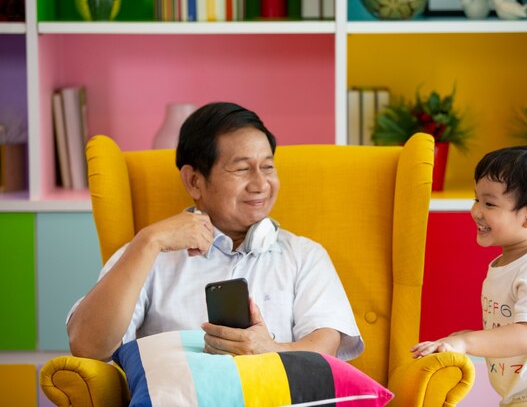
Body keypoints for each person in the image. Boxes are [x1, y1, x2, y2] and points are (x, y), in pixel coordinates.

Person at [67, 101, 363, 363]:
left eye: (268, 167)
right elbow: (88, 347)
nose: (260, 184)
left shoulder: (303, 255)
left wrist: (270, 349)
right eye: (242, 169)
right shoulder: (148, 253)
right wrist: (149, 241)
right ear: (194, 181)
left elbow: (325, 348)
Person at [410, 146, 527, 407]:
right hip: (522, 398)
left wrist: (467, 341)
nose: (476, 211)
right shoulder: (507, 262)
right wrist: (456, 339)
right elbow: (504, 329)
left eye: (489, 203)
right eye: (476, 199)